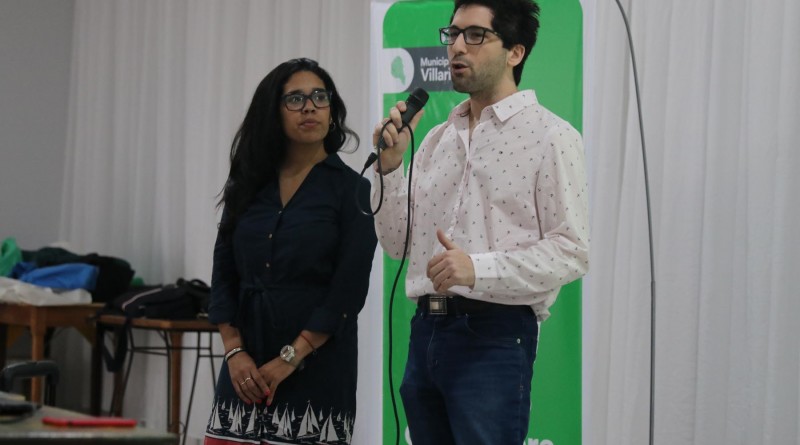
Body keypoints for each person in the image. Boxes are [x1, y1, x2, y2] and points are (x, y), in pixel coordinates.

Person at [371, 0, 589, 443]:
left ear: (515, 52)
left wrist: (477, 269)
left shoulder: (551, 136)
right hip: (425, 330)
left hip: (494, 334)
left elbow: (571, 250)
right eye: (452, 34)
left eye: (475, 35)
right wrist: (390, 169)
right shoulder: (435, 140)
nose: (456, 47)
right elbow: (397, 243)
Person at [205, 58, 377, 445]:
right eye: (295, 99)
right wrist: (234, 352)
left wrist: (291, 358)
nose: (310, 107)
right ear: (273, 112)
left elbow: (347, 291)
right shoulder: (246, 185)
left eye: (320, 97)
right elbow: (223, 274)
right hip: (244, 367)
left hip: (317, 364)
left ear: (332, 110)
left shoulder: (353, 191)